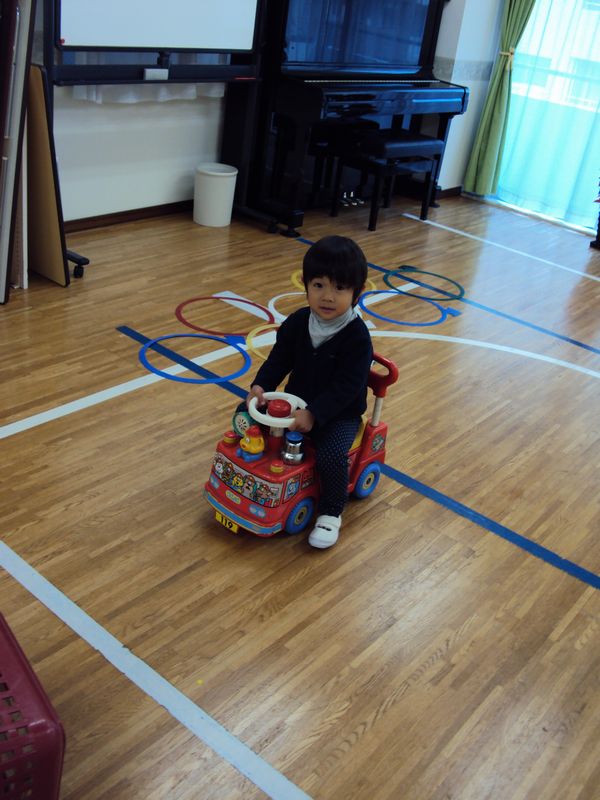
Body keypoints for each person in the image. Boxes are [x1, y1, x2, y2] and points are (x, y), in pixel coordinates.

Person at [243, 235, 373, 549]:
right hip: (295, 404)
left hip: (338, 415)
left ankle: (331, 512)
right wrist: (261, 386)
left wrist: (315, 413)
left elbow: (348, 386)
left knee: (331, 455)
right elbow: (279, 359)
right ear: (305, 284)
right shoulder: (299, 322)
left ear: (357, 293)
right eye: (319, 285)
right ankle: (253, 480)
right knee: (245, 415)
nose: (327, 296)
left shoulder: (357, 337)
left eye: (339, 288)